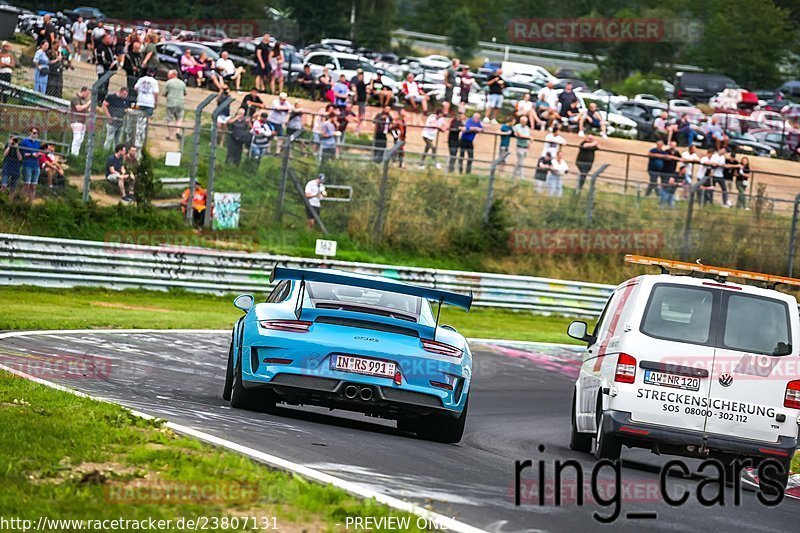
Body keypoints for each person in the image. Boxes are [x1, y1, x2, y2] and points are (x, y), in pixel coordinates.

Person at [102, 86, 129, 150]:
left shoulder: (126, 100)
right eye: (124, 94)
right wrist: (108, 116)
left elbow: (126, 109)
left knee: (118, 140)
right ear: (120, 92)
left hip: (120, 121)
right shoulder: (112, 97)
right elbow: (104, 105)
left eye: (126, 95)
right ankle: (105, 151)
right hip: (112, 120)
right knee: (109, 138)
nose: (125, 96)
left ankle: (116, 152)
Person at [19, 128, 42, 201]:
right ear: (30, 132)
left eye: (37, 133)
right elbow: (21, 153)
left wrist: (39, 154)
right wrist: (31, 154)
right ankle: (21, 200)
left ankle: (30, 202)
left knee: (33, 185)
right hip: (27, 164)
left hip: (36, 165)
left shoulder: (37, 143)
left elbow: (38, 152)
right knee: (26, 184)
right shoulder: (25, 141)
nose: (36, 134)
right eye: (34, 132)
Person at [164, 70, 186, 140]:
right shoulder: (182, 83)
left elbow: (165, 93)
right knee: (179, 119)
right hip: (180, 102)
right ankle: (178, 131)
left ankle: (171, 136)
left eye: (168, 74)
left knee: (169, 119)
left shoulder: (168, 82)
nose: (167, 76)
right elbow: (185, 93)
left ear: (173, 75)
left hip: (171, 103)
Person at [69, 86, 91, 156]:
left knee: (80, 139)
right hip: (76, 120)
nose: (87, 95)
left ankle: (76, 153)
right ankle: (73, 154)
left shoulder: (83, 99)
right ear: (83, 91)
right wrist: (88, 103)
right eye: (87, 93)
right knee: (77, 138)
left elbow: (85, 109)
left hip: (83, 121)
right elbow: (78, 108)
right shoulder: (75, 98)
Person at [512, 116, 532, 180]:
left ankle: (513, 176)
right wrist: (529, 137)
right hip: (520, 146)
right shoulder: (517, 127)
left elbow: (528, 136)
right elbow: (520, 135)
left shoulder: (527, 128)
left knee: (519, 162)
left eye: (525, 121)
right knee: (521, 163)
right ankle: (522, 178)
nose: (524, 122)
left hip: (525, 147)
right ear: (520, 121)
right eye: (523, 121)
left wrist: (529, 143)